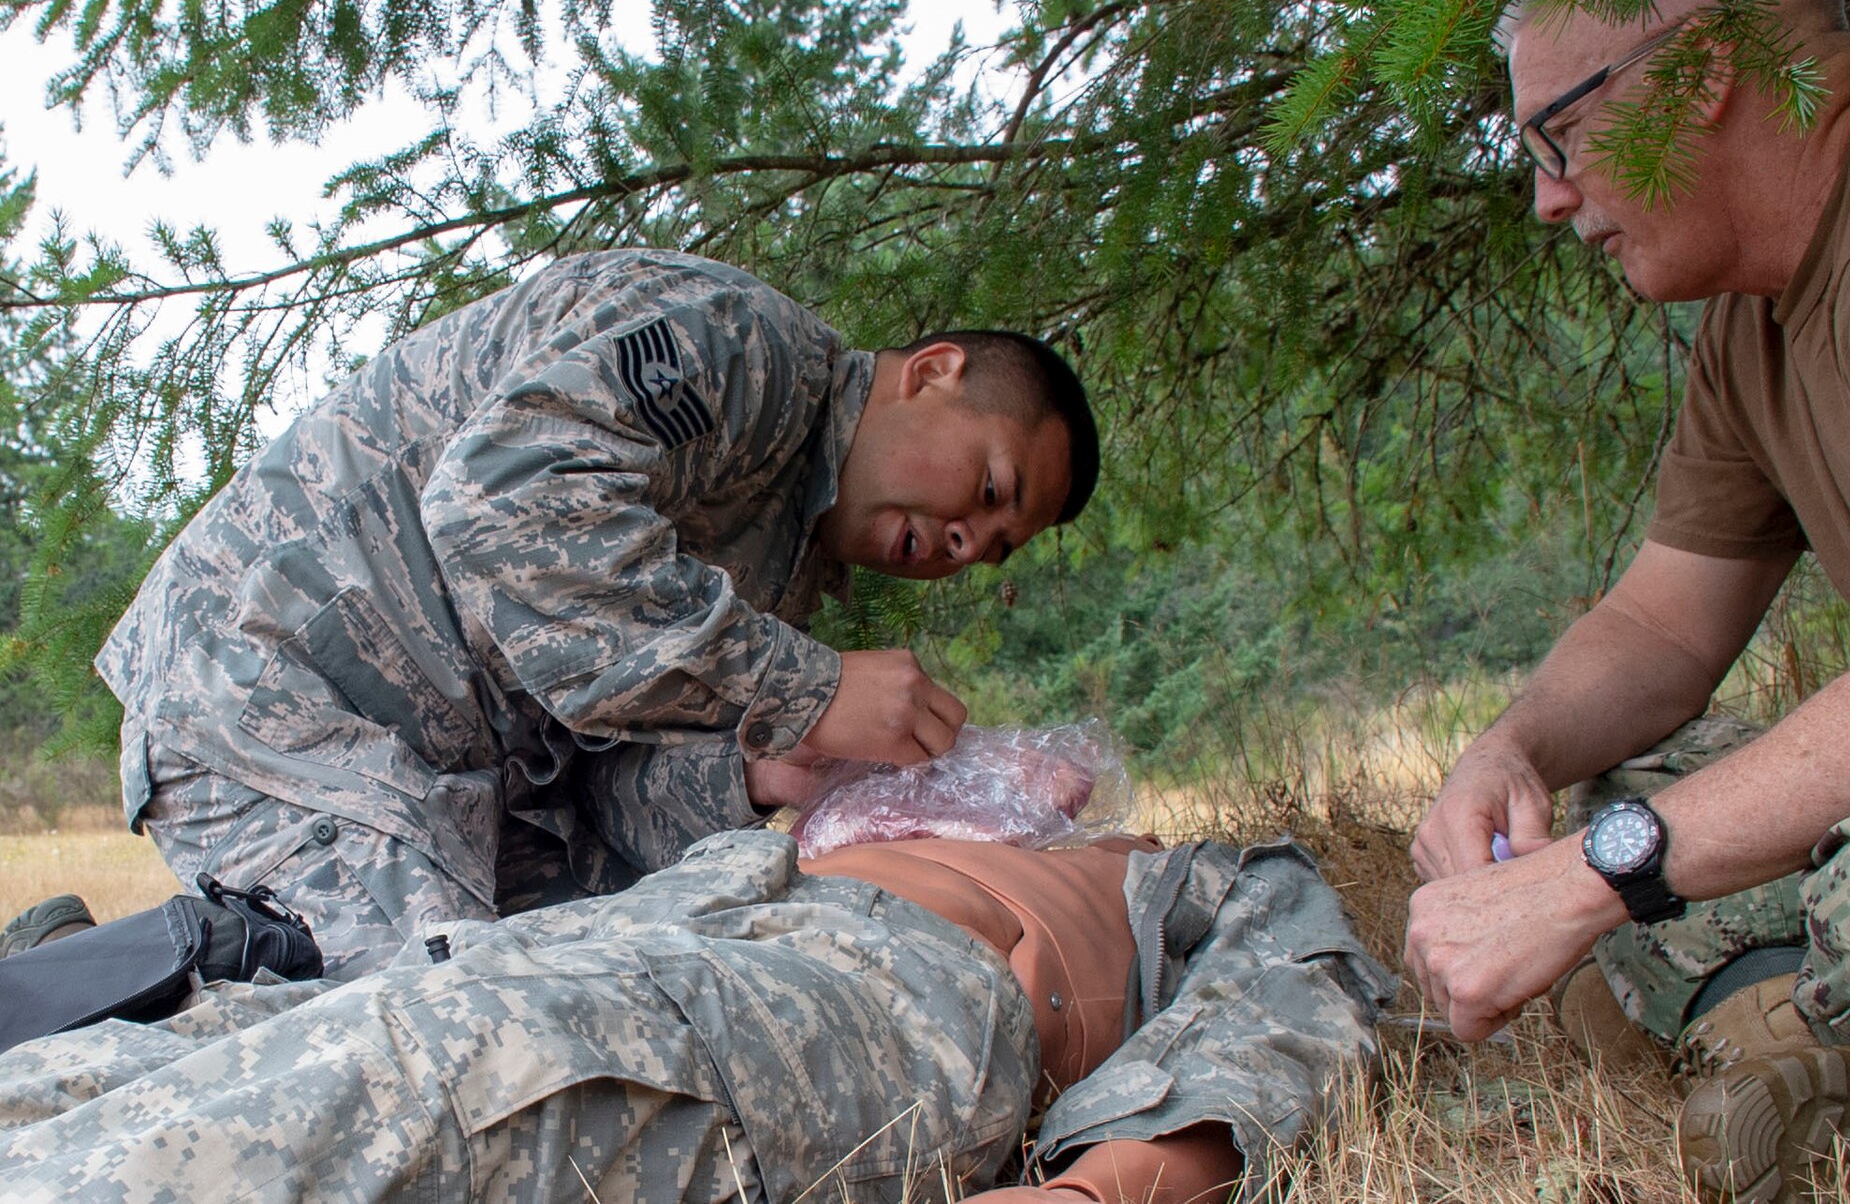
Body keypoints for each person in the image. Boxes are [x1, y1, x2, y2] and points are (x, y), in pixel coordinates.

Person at [1400, 0, 1850, 1202]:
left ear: (1702, 79)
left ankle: (1827, 1035)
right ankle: (1818, 1062)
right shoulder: (1762, 313)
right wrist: (1510, 755)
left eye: (1560, 137)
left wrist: (1597, 882)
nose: (1550, 201)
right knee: (1615, 797)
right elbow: (1661, 630)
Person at [82, 249, 1101, 979]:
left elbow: (595, 792)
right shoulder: (747, 351)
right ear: (931, 374)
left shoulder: (779, 579)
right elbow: (500, 509)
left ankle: (89, 979)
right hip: (273, 684)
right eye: (989, 486)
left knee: (603, 992)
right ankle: (95, 998)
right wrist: (808, 689)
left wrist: (749, 775)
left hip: (441, 778)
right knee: (448, 1039)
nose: (968, 540)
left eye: (995, 546)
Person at [0, 822, 1395, 1203]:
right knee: (153, 1055)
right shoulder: (839, 812)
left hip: (877, 991)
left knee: (441, 1072)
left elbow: (1293, 1012)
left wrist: (1097, 1193)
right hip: (666, 921)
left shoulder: (1190, 869)